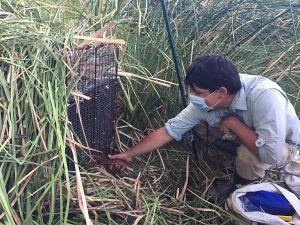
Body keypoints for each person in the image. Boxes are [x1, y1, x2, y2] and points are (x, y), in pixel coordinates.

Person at [109, 55, 300, 194]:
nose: (192, 97)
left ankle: (243, 187)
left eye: (198, 92)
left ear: (221, 92)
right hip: (251, 136)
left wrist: (234, 123)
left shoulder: (265, 97)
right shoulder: (208, 100)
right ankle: (225, 159)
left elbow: (270, 155)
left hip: (286, 146)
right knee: (198, 126)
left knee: (249, 156)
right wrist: (128, 154)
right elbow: (169, 131)